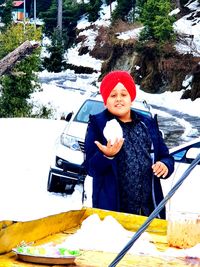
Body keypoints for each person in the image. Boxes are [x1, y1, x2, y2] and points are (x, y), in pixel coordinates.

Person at [84, 70, 174, 219]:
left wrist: (164, 165)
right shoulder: (97, 125)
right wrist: (107, 155)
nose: (119, 99)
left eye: (123, 94)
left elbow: (166, 156)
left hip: (149, 213)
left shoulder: (147, 124)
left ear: (131, 98)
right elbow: (90, 168)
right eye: (113, 95)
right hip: (113, 216)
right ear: (106, 100)